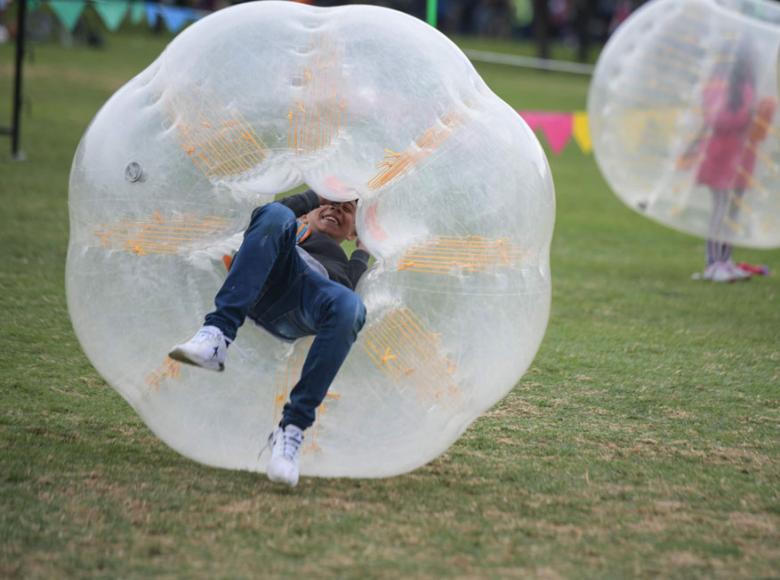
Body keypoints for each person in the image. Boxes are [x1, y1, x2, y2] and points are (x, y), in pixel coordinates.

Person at [169, 188, 370, 487]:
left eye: (346, 209)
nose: (335, 209)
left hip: (305, 303)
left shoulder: (343, 264)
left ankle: (292, 429)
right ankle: (218, 335)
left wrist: (363, 251)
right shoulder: (288, 229)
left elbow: (353, 281)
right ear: (309, 210)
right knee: (275, 214)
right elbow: (266, 216)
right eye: (329, 203)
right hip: (269, 278)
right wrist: (320, 192)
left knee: (352, 306)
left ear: (353, 230)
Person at [692, 42, 758, 282]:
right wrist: (746, 114)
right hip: (721, 156)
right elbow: (717, 119)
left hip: (742, 158)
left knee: (732, 212)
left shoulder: (748, 87)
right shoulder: (718, 86)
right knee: (720, 208)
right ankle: (713, 263)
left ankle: (726, 259)